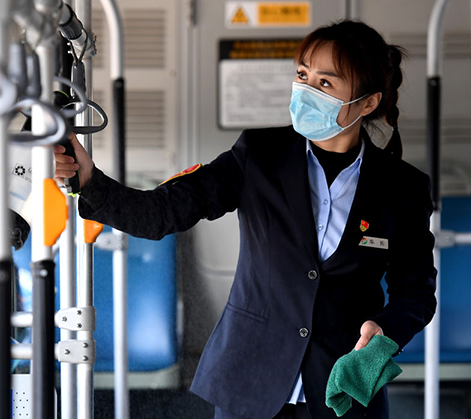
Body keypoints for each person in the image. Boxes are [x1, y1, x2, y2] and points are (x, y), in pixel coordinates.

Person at [54, 20, 437, 419]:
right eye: (302, 76)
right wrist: (90, 181)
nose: (306, 91)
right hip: (252, 379)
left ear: (368, 104)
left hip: (343, 387)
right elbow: (162, 213)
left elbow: (416, 292)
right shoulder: (260, 154)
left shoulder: (402, 188)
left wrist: (384, 333)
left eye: (325, 83)